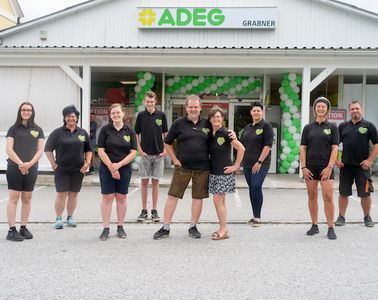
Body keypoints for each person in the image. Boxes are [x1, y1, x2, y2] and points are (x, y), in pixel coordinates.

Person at [153, 95, 235, 240]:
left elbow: (219, 129)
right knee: (173, 196)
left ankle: (193, 226)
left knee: (197, 198)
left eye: (196, 107)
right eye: (190, 107)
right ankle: (165, 227)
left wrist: (232, 133)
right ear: (186, 108)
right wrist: (174, 159)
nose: (193, 109)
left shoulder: (207, 124)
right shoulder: (178, 124)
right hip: (182, 167)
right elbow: (167, 143)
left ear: (200, 107)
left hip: (202, 168)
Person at [45, 105, 92, 229]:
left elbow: (89, 150)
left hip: (78, 169)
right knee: (61, 194)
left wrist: (87, 163)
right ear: (64, 118)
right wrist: (53, 164)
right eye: (68, 116)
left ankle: (70, 217)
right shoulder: (57, 133)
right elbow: (48, 149)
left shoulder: (82, 133)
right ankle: (59, 218)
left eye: (73, 116)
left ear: (76, 118)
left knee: (73, 194)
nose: (70, 118)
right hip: (62, 169)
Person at [300, 97, 339, 240]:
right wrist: (303, 167)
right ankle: (314, 225)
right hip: (310, 168)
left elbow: (335, 149)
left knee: (328, 197)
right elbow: (303, 148)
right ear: (314, 109)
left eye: (323, 106)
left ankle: (330, 227)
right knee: (312, 196)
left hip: (325, 168)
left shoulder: (332, 127)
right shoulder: (308, 128)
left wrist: (330, 167)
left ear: (327, 109)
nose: (320, 108)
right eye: (318, 106)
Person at [335, 100, 378, 227]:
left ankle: (367, 217)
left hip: (362, 167)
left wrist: (369, 160)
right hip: (346, 167)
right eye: (352, 109)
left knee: (365, 194)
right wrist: (336, 160)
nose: (355, 111)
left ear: (361, 110)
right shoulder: (343, 127)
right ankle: (341, 217)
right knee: (343, 193)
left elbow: (376, 145)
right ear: (349, 111)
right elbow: (334, 145)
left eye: (357, 109)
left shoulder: (369, 126)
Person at [5, 102, 45, 241]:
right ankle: (11, 230)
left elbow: (40, 150)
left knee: (27, 198)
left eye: (29, 110)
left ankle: (23, 227)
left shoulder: (38, 130)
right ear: (20, 112)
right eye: (24, 110)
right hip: (14, 167)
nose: (26, 112)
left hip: (31, 168)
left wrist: (29, 164)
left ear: (32, 112)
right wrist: (21, 164)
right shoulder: (13, 129)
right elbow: (9, 149)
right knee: (14, 198)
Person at [97, 103, 137, 240]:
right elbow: (100, 150)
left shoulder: (129, 131)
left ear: (123, 114)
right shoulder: (105, 130)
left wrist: (118, 165)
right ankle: (106, 228)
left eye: (118, 112)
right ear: (110, 115)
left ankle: (120, 227)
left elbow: (133, 152)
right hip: (106, 168)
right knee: (107, 197)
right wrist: (111, 167)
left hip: (124, 169)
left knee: (121, 197)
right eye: (113, 113)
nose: (116, 115)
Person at [208, 106, 245, 240]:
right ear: (210, 119)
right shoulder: (210, 133)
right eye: (213, 116)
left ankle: (224, 229)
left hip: (224, 172)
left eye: (218, 116)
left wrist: (236, 166)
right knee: (219, 201)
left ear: (222, 119)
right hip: (214, 172)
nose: (216, 119)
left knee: (218, 200)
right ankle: (223, 227)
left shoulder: (226, 133)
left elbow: (241, 148)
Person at [135, 91, 168, 222]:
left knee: (155, 183)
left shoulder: (161, 115)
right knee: (144, 183)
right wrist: (140, 150)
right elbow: (136, 134)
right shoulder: (141, 116)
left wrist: (166, 149)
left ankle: (154, 211)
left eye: (152, 101)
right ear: (144, 102)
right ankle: (144, 211)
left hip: (159, 154)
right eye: (147, 102)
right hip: (145, 155)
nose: (149, 103)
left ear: (155, 102)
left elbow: (166, 134)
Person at [241, 101, 273, 227]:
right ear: (251, 112)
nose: (256, 112)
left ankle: (258, 217)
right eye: (254, 110)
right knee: (252, 189)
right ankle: (254, 216)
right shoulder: (247, 128)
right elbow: (243, 146)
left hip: (261, 163)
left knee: (256, 186)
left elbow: (268, 145)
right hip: (247, 163)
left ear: (262, 112)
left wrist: (259, 162)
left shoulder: (266, 126)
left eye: (258, 110)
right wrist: (239, 163)